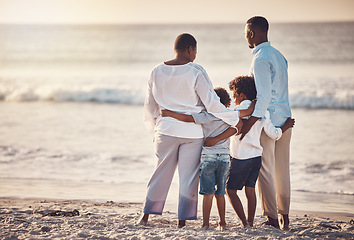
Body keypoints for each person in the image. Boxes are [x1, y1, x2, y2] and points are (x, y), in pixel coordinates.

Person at [139, 33, 243, 228]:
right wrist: (234, 117)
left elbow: (150, 106)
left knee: (160, 173)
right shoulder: (196, 71)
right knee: (188, 178)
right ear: (190, 49)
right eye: (195, 50)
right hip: (192, 133)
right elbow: (211, 104)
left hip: (166, 130)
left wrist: (155, 127)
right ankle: (181, 221)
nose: (195, 54)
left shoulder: (156, 71)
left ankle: (145, 217)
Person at [161, 87, 255, 230]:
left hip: (208, 156)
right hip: (224, 157)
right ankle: (222, 223)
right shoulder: (230, 114)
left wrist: (169, 113)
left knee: (208, 193)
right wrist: (256, 102)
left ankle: (205, 224)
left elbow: (187, 118)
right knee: (220, 193)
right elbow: (246, 114)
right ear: (227, 102)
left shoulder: (206, 115)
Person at [240, 16, 293, 230]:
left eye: (246, 33)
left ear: (252, 33)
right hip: (285, 119)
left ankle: (271, 216)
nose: (246, 37)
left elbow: (262, 98)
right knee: (283, 169)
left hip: (268, 121)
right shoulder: (280, 56)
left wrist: (249, 123)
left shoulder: (260, 59)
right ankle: (285, 216)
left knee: (266, 169)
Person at [227, 76, 295, 228]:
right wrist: (286, 126)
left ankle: (244, 223)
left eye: (234, 96)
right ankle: (250, 222)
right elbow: (274, 134)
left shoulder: (238, 110)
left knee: (230, 190)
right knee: (249, 189)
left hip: (240, 157)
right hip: (256, 158)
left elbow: (230, 126)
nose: (233, 100)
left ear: (241, 95)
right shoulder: (263, 112)